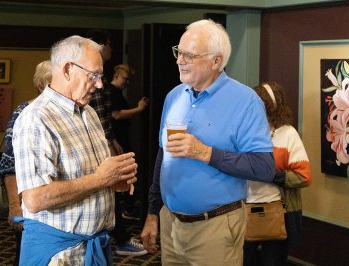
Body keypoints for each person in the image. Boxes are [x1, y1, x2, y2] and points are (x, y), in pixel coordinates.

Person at [140, 19, 275, 266]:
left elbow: (264, 167)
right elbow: (164, 159)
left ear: (216, 61)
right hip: (171, 223)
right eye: (179, 52)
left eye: (189, 55)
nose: (179, 61)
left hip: (215, 227)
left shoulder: (246, 101)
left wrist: (204, 152)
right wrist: (152, 212)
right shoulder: (174, 96)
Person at [12, 35, 138, 266]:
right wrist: (101, 179)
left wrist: (114, 180)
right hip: (59, 255)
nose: (100, 84)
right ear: (68, 70)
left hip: (92, 246)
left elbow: (91, 175)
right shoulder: (37, 119)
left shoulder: (88, 112)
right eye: (95, 75)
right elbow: (35, 198)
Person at [85, 29, 147, 256]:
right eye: (109, 44)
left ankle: (116, 237)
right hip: (100, 144)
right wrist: (108, 141)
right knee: (108, 189)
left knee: (112, 190)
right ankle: (120, 239)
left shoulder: (98, 75)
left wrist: (111, 138)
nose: (99, 83)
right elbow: (105, 114)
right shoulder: (93, 74)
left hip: (105, 140)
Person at [243, 81, 312, 266]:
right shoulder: (246, 132)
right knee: (243, 260)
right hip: (244, 209)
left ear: (271, 107)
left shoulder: (288, 134)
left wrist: (270, 175)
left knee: (272, 262)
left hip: (278, 212)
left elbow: (304, 176)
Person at [0, 60, 51, 266]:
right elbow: (9, 165)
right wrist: (14, 206)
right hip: (30, 205)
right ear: (42, 85)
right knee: (27, 256)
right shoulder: (24, 112)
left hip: (56, 206)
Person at [109, 64, 149, 221]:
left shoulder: (117, 92)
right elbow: (116, 115)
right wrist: (138, 109)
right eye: (125, 78)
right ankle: (127, 208)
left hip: (121, 137)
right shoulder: (112, 92)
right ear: (117, 76)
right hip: (117, 139)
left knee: (129, 172)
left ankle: (127, 206)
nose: (127, 82)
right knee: (124, 173)